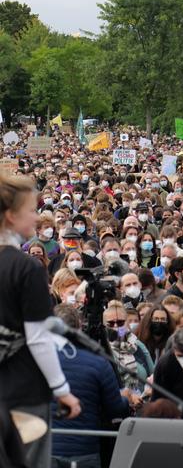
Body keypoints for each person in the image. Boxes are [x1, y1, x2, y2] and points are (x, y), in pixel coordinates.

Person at [0, 173, 81, 467]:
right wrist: (62, 389)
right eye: (31, 211)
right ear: (10, 215)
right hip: (23, 396)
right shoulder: (28, 269)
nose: (36, 218)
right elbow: (38, 338)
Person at [50, 305, 135, 468]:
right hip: (83, 452)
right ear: (80, 327)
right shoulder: (98, 362)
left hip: (50, 449)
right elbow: (116, 409)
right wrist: (125, 398)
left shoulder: (34, 361)